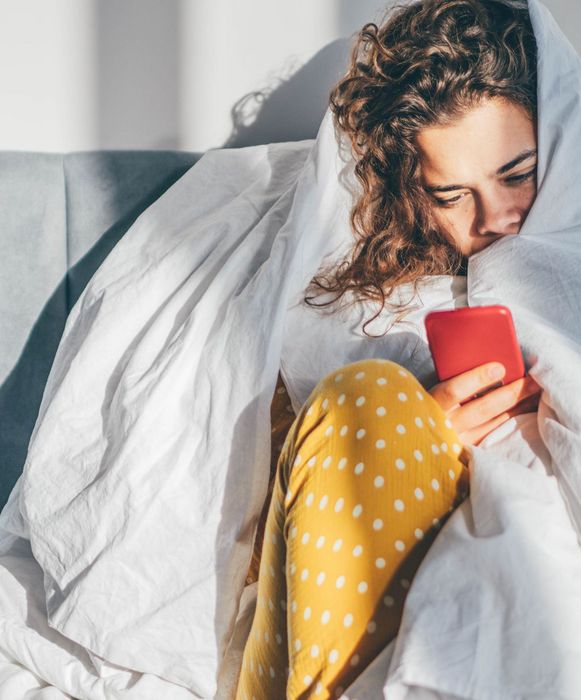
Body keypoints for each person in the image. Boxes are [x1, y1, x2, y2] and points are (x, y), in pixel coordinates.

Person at [236, 1, 544, 697]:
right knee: (365, 397)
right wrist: (424, 438)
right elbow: (262, 543)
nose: (495, 219)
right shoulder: (351, 305)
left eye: (517, 174)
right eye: (452, 193)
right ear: (412, 193)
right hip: (349, 633)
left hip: (539, 598)